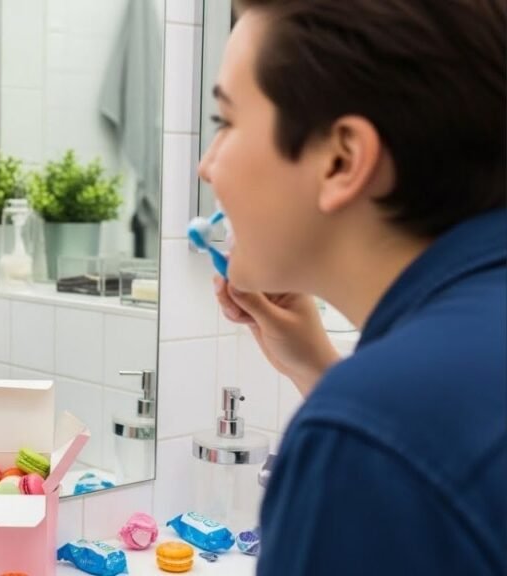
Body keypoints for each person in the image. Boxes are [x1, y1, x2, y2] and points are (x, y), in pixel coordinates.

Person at [200, 0, 505, 574]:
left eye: (227, 123)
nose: (207, 167)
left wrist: (353, 414)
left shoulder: (364, 441)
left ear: (342, 160)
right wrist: (320, 370)